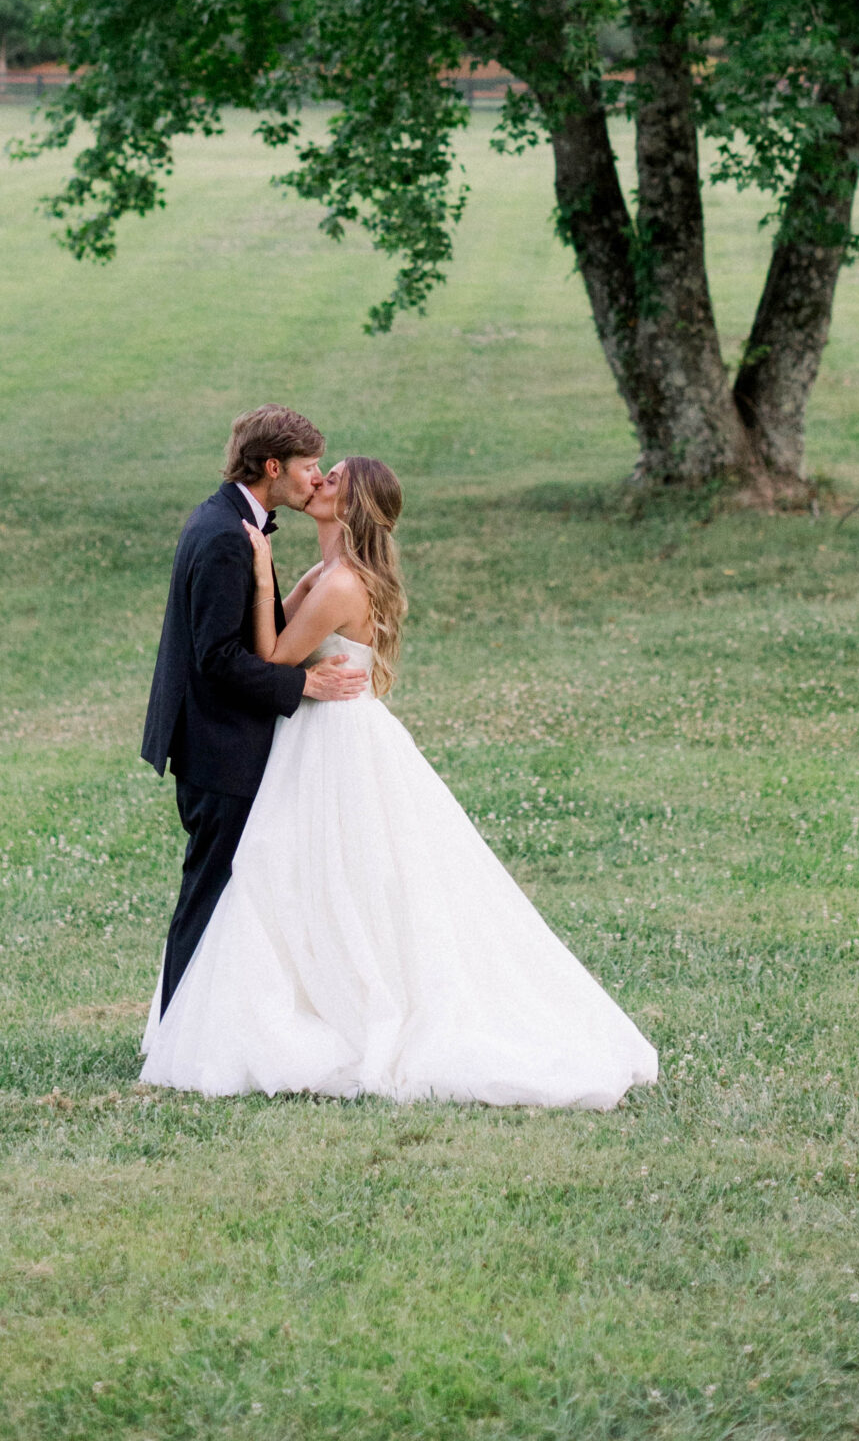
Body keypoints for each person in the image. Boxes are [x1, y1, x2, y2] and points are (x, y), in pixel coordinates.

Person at [142, 454, 658, 1108]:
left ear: (352, 508)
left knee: (334, 874)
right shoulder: (323, 573)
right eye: (319, 471)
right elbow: (274, 647)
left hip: (334, 742)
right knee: (305, 873)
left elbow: (272, 654)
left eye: (333, 480)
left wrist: (262, 585)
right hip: (314, 734)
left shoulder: (339, 585)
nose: (319, 480)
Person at [141, 405, 368, 1014]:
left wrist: (284, 595)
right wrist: (302, 688)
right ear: (274, 467)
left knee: (228, 894)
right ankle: (178, 1030)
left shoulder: (232, 523)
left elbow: (242, 640)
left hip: (224, 741)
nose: (316, 478)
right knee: (211, 893)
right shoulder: (223, 537)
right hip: (218, 748)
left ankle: (200, 1025)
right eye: (309, 466)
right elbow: (218, 657)